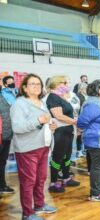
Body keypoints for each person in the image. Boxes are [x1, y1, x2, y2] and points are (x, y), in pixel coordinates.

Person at [11, 74, 57, 220]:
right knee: (28, 181)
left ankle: (39, 204)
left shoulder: (42, 102)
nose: (36, 86)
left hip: (43, 146)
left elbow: (45, 123)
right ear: (24, 87)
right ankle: (27, 213)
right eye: (32, 84)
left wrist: (51, 127)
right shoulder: (19, 104)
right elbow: (18, 127)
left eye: (38, 84)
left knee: (41, 179)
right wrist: (39, 120)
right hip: (27, 149)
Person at [46, 75, 80, 193]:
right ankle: (53, 182)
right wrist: (76, 122)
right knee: (58, 157)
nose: (67, 85)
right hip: (60, 131)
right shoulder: (53, 97)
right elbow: (59, 115)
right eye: (65, 83)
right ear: (56, 84)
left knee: (67, 156)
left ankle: (66, 178)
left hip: (68, 130)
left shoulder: (61, 97)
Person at [0, 92, 15, 194]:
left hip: (6, 135)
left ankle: (2, 185)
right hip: (1, 135)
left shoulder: (2, 95)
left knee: (2, 162)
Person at [76, 82, 88, 158]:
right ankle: (79, 151)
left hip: (87, 117)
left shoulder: (87, 96)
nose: (86, 90)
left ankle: (85, 150)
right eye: (85, 88)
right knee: (79, 135)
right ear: (81, 89)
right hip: (81, 117)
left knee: (85, 135)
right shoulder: (78, 96)